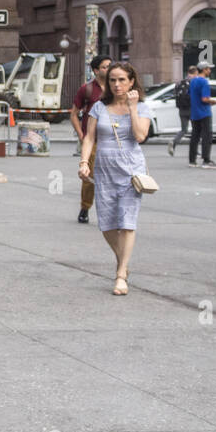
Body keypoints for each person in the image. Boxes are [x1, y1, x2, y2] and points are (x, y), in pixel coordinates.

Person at [78, 61, 151, 296]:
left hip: (131, 170)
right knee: (107, 224)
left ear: (132, 82)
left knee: (127, 222)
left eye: (122, 80)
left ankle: (120, 274)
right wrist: (83, 162)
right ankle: (124, 261)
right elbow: (89, 138)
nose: (117, 84)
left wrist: (132, 107)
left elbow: (140, 136)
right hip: (104, 168)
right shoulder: (99, 107)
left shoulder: (142, 107)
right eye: (112, 80)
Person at [69, 54, 111, 222]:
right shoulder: (87, 89)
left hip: (111, 139)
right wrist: (81, 134)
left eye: (110, 66)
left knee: (112, 175)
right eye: (104, 67)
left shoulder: (115, 88)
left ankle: (109, 210)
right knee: (89, 175)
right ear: (95, 70)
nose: (108, 69)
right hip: (92, 139)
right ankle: (85, 207)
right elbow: (73, 114)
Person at [188, 61, 216, 168]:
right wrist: (213, 102)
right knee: (207, 136)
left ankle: (192, 161)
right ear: (204, 69)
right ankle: (206, 160)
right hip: (204, 112)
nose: (210, 71)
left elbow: (190, 95)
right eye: (208, 69)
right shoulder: (204, 82)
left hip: (194, 112)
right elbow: (205, 98)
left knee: (195, 136)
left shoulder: (193, 81)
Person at [166, 66, 197, 157]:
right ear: (195, 73)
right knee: (196, 130)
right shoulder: (193, 82)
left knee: (184, 129)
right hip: (191, 109)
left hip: (181, 109)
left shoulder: (179, 83)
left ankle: (174, 142)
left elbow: (175, 94)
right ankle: (195, 150)